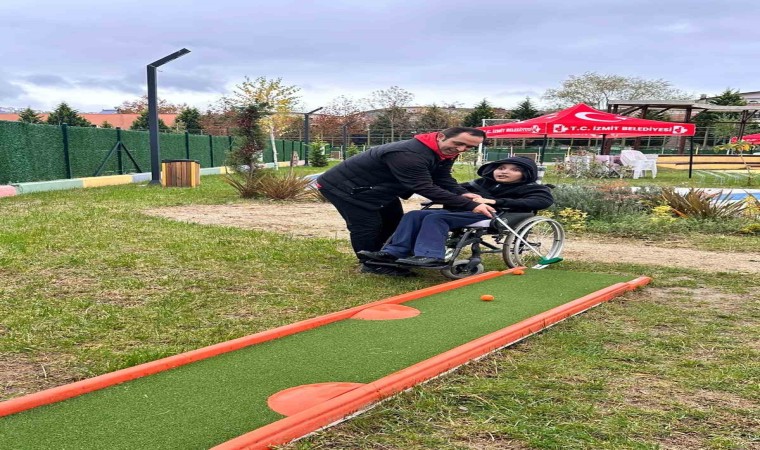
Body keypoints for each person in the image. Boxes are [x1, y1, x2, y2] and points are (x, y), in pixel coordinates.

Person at [317, 127, 493, 276]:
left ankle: (387, 256)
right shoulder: (409, 154)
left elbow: (441, 177)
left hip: (378, 188)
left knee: (394, 221)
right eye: (458, 143)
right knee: (366, 225)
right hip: (344, 187)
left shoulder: (445, 151)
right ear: (441, 136)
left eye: (469, 147)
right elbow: (425, 188)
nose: (462, 149)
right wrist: (471, 205)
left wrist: (462, 193)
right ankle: (372, 265)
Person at [359, 156, 554, 268]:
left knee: (437, 218)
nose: (504, 172)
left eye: (513, 170)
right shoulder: (479, 183)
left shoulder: (531, 188)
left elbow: (543, 201)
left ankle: (432, 256)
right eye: (501, 168)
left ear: (525, 175)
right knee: (414, 215)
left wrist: (494, 200)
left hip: (496, 215)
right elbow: (450, 190)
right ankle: (394, 252)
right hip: (463, 213)